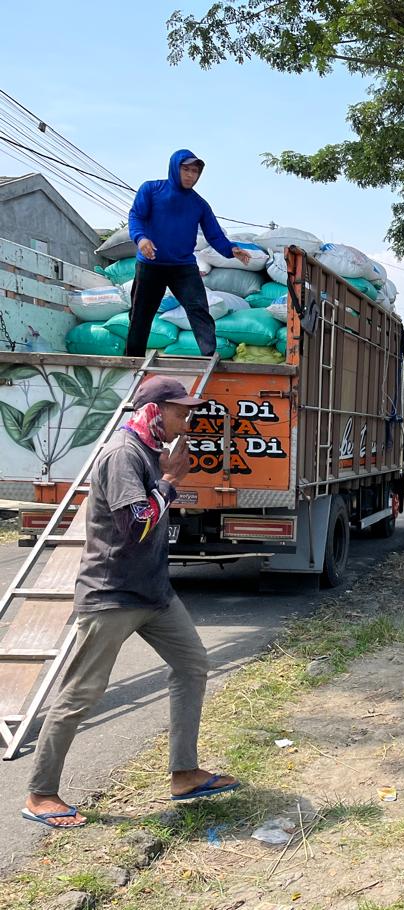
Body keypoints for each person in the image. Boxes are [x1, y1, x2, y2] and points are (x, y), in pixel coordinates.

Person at [22, 376, 240, 829]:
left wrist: (166, 479)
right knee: (81, 693)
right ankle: (41, 794)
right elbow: (135, 524)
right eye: (181, 411)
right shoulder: (123, 454)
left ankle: (184, 774)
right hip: (112, 594)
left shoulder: (148, 448)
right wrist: (171, 480)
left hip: (154, 593)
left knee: (192, 664)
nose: (189, 418)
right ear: (156, 411)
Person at [126, 150, 251, 358]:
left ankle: (209, 356)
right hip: (150, 264)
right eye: (186, 169)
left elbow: (214, 234)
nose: (190, 175)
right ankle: (132, 359)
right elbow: (136, 216)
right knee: (141, 315)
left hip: (182, 267)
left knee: (199, 309)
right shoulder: (151, 189)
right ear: (174, 168)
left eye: (195, 171)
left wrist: (231, 250)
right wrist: (141, 239)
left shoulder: (199, 204)